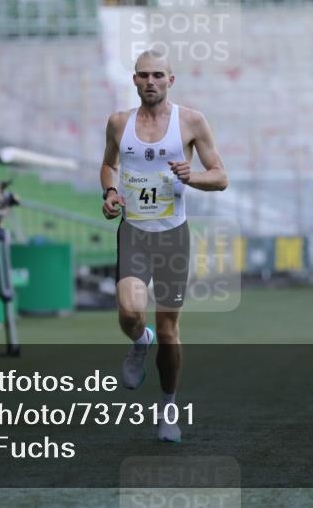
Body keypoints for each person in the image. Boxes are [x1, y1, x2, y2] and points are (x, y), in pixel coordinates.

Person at [100, 49, 228, 443]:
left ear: (171, 80)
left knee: (170, 331)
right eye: (143, 75)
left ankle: (168, 409)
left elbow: (220, 176)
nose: (150, 81)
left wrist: (193, 177)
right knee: (129, 313)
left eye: (158, 75)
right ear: (135, 80)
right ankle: (140, 342)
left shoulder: (191, 121)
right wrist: (110, 192)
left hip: (173, 236)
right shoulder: (119, 123)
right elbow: (109, 165)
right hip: (134, 233)